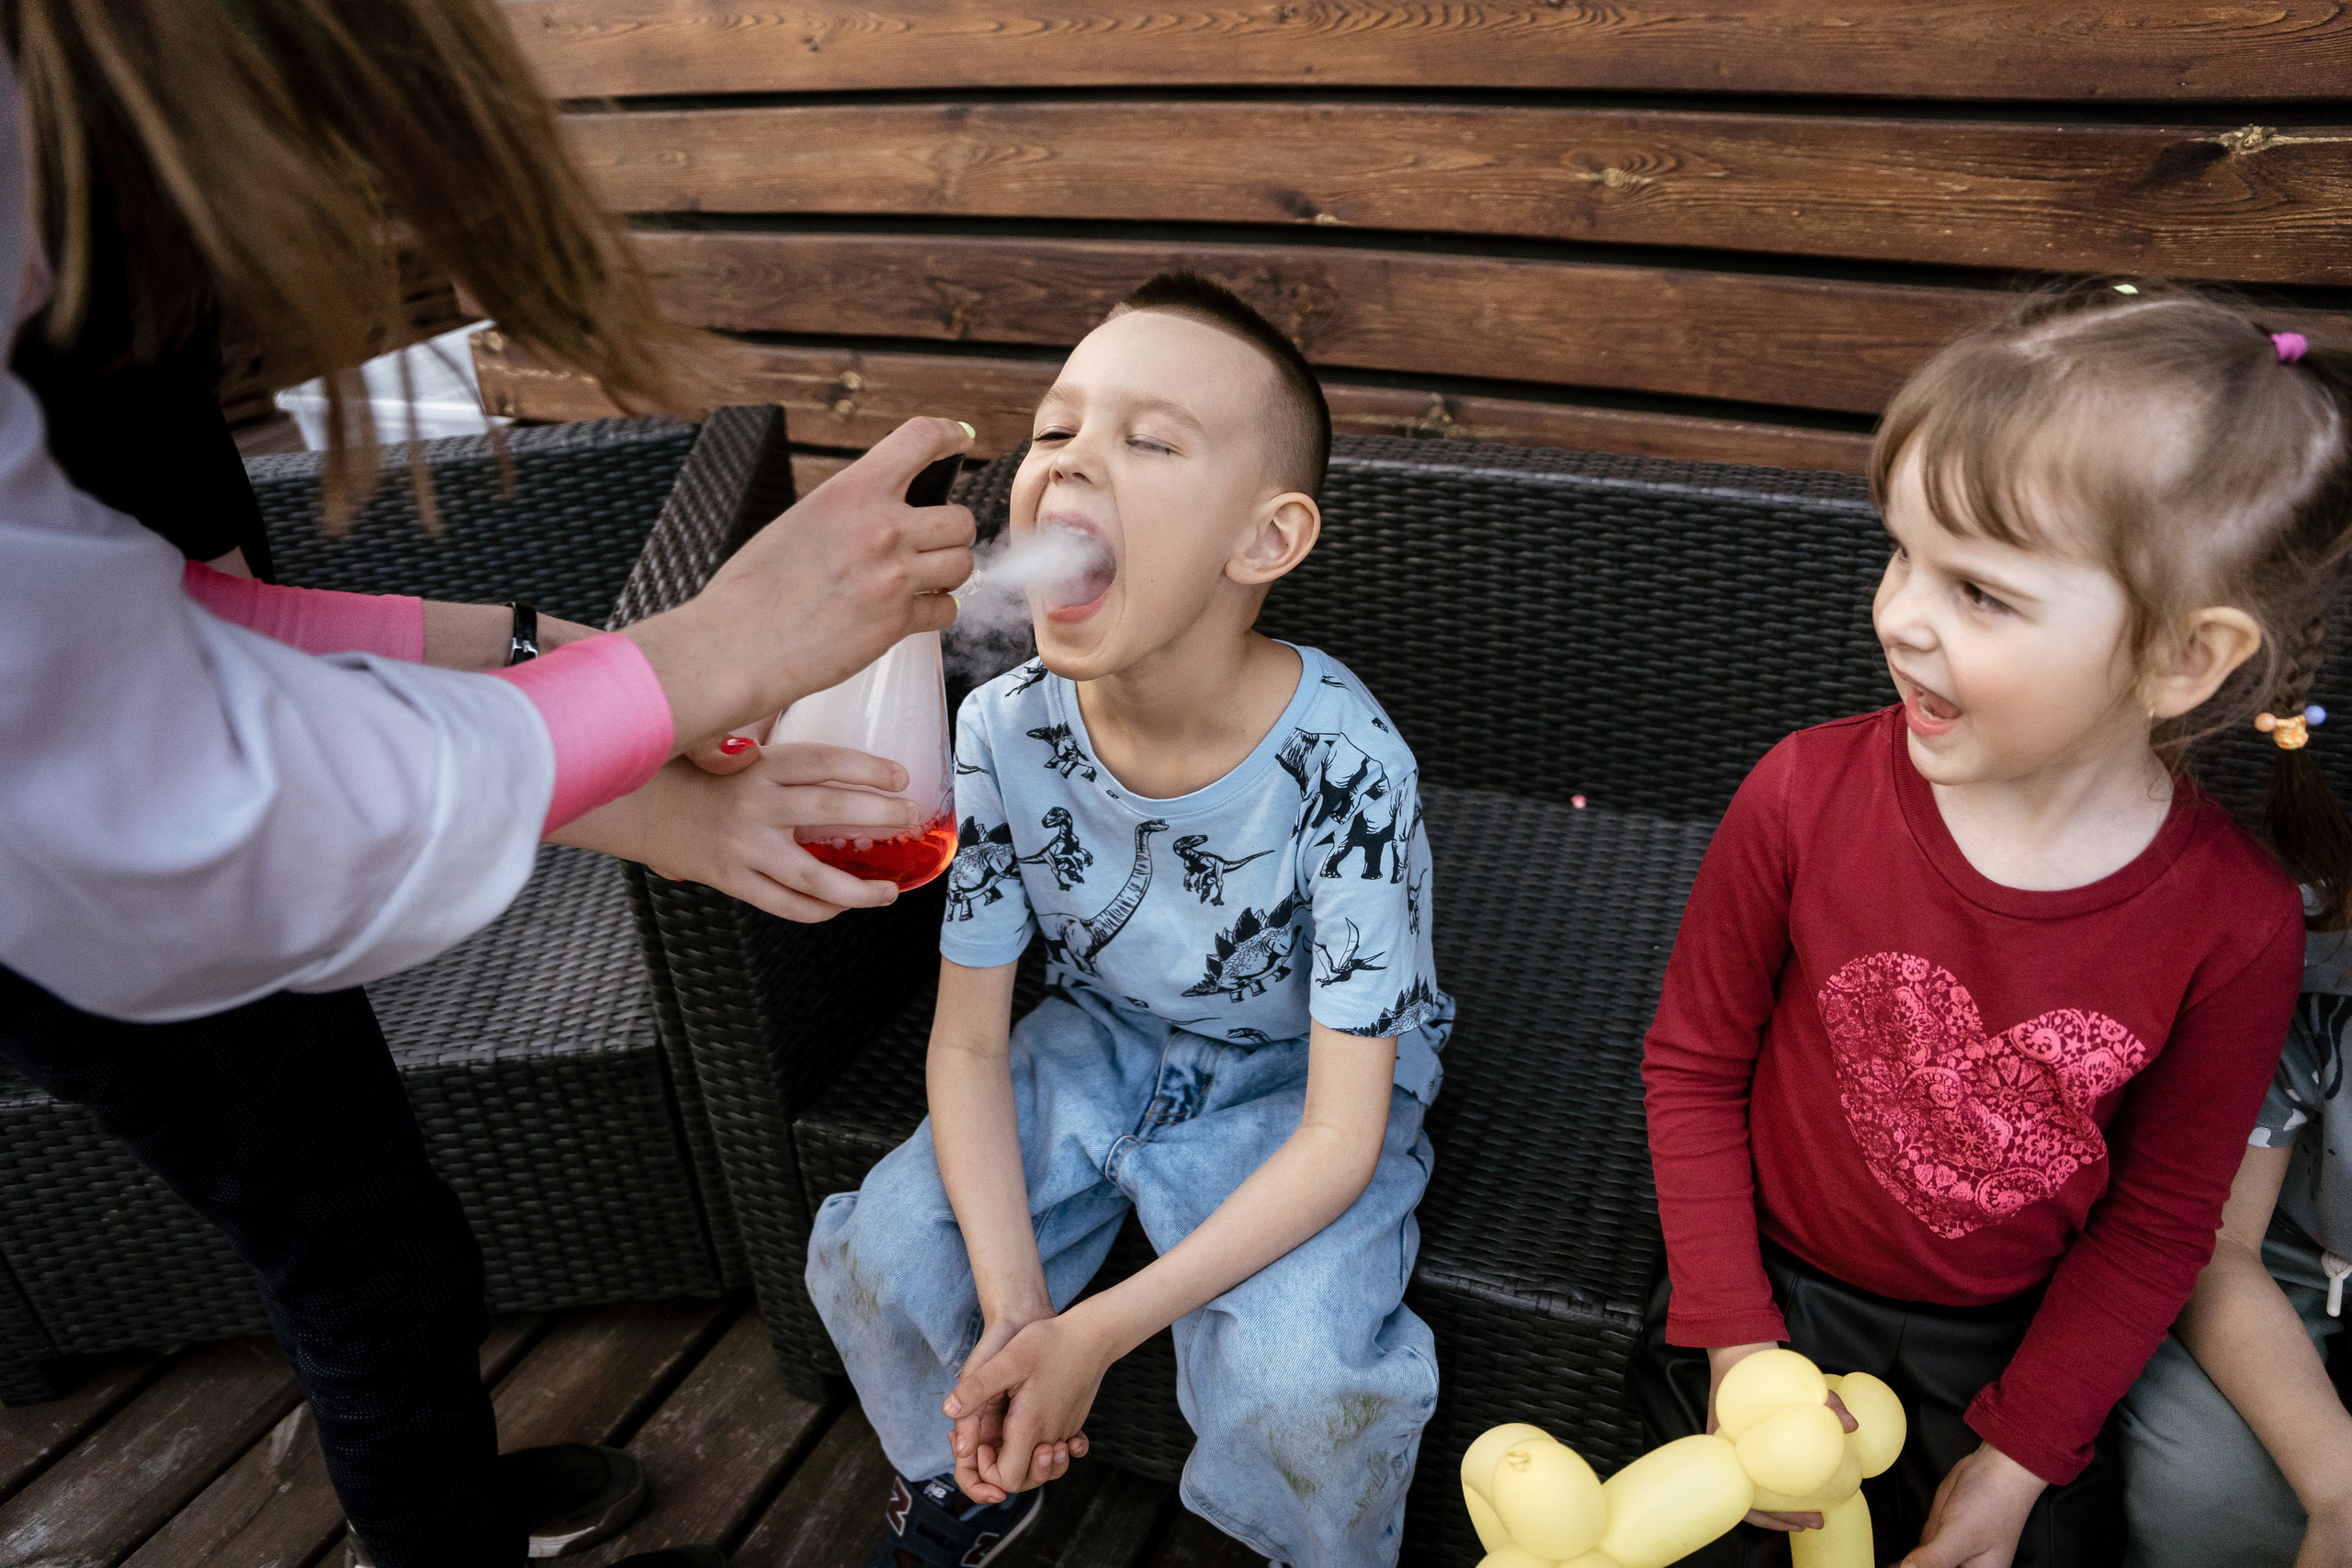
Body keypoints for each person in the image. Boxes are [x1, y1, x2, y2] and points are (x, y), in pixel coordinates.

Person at [0, 5, 975, 1567]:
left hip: (135, 834)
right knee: (364, 1253)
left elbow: (176, 620)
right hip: (89, 903)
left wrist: (561, 666)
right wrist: (686, 668)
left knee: (378, 1229)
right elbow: (151, 776)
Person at [1633, 285, 2352, 1568]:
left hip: (2017, 1358)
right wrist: (1738, 1343)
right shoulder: (1802, 789)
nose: (1901, 611)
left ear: (2184, 657)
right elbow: (1692, 1066)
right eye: (1900, 550)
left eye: (1980, 591)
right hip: (1769, 1302)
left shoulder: (2234, 922)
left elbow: (2159, 1222)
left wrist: (2019, 1462)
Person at [804, 274, 1453, 1568]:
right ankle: (970, 1476)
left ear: (1264, 540)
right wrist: (1019, 1313)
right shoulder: (1000, 725)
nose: (1069, 466)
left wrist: (1095, 1335)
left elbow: (1340, 1131)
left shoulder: (1350, 761)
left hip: (1303, 1083)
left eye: (1148, 440)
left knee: (1302, 1388)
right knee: (885, 1253)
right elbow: (972, 1046)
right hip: (1095, 1037)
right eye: (1054, 432)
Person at [2117, 926, 2352, 1564]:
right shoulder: (2314, 984)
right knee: (2200, 1490)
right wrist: (2338, 1486)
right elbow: (2223, 1243)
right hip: (2288, 1248)